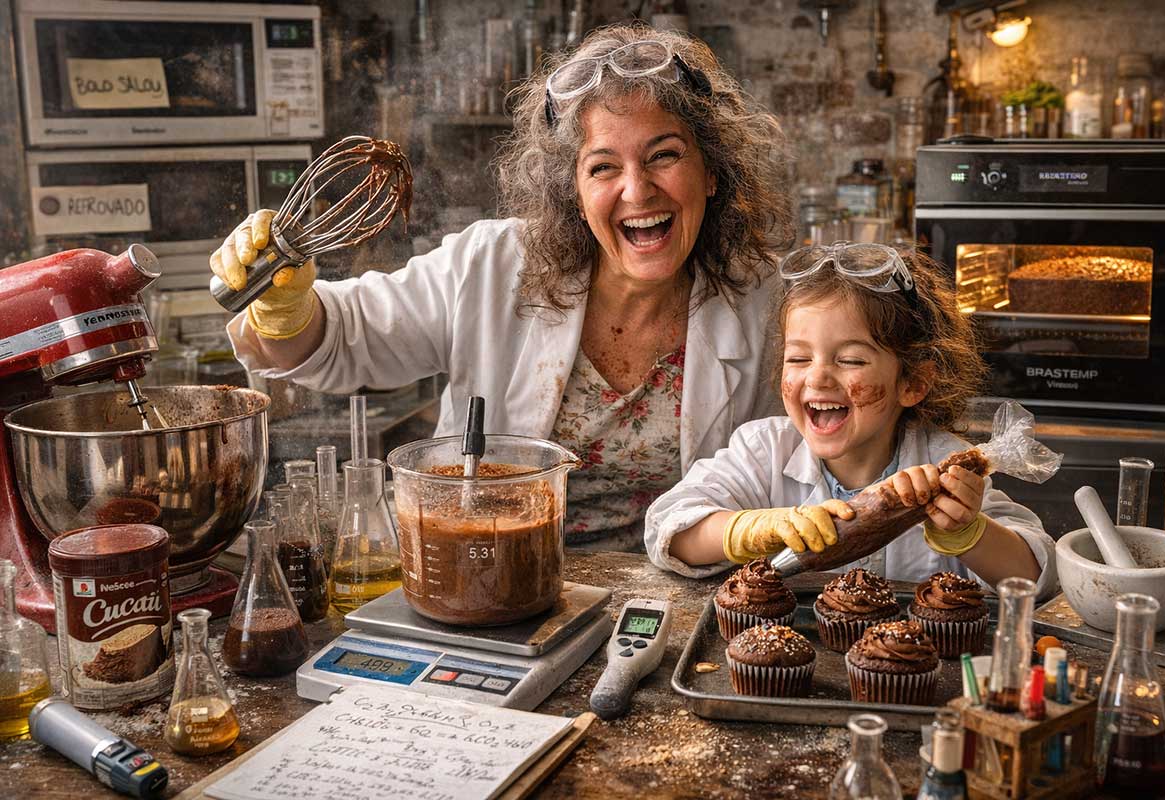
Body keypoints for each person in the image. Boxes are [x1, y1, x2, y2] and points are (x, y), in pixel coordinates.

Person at [209, 26, 791, 551]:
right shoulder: (492, 264)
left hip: (677, 603)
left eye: (664, 155)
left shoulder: (764, 303)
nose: (637, 192)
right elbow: (341, 340)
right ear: (573, 190)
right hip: (483, 579)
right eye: (603, 167)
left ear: (712, 172)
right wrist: (285, 309)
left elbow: (806, 458)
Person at [644, 242, 1057, 598]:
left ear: (912, 381)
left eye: (851, 360)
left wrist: (969, 533)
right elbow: (667, 528)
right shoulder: (762, 450)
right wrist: (751, 530)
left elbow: (1038, 576)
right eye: (799, 358)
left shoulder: (948, 465)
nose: (818, 377)